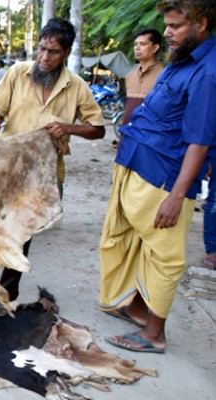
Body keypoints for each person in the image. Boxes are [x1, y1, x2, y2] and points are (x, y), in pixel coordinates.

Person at [98, 0, 216, 354]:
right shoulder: (181, 61)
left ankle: (154, 335)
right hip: (139, 164)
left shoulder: (208, 72)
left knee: (164, 256)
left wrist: (177, 196)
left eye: (176, 26)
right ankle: (134, 307)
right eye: (166, 26)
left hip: (163, 178)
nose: (167, 33)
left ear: (202, 24)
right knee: (128, 242)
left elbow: (199, 141)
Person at [0, 18, 105, 311]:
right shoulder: (17, 73)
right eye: (42, 49)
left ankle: (7, 294)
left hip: (44, 176)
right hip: (8, 167)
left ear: (65, 53)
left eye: (53, 52)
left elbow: (97, 128)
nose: (45, 57)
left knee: (22, 234)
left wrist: (68, 128)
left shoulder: (76, 87)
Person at [122, 28, 164, 125]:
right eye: (136, 44)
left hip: (150, 136)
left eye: (143, 44)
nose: (137, 47)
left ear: (155, 48)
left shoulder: (164, 76)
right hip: (127, 135)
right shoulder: (130, 76)